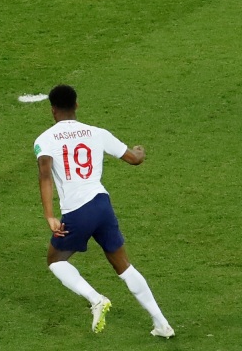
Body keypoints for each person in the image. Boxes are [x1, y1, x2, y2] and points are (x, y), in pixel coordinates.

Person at [33, 84, 174, 338]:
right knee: (124, 266)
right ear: (76, 104)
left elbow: (45, 176)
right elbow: (134, 158)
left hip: (78, 211)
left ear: (52, 110)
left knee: (55, 260)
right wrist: (140, 150)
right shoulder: (97, 133)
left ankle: (96, 299)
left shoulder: (44, 140)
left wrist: (50, 216)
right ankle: (161, 323)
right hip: (102, 205)